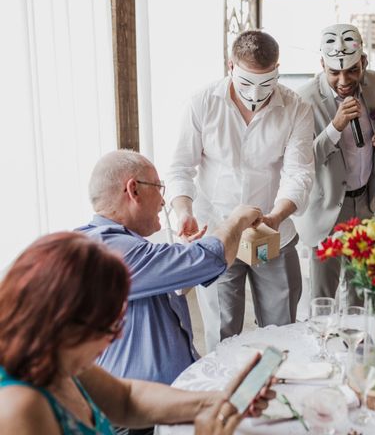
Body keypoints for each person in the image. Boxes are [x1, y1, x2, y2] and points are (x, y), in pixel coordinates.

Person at [0, 232, 274, 435]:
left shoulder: (57, 360)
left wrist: (216, 400)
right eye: (109, 326)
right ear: (64, 323)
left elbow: (126, 399)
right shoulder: (20, 409)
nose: (116, 337)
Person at [167, 30, 314, 350]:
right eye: (247, 82)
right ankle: (226, 396)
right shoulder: (201, 104)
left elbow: (299, 173)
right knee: (222, 331)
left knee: (282, 330)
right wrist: (184, 212)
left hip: (273, 235)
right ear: (230, 66)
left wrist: (276, 216)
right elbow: (180, 168)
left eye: (266, 83)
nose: (256, 93)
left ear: (278, 69)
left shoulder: (296, 107)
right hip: (216, 233)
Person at [77, 150, 262, 392]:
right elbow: (211, 258)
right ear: (133, 190)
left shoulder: (109, 243)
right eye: (158, 187)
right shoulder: (110, 251)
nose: (163, 202)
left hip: (169, 396)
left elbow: (161, 288)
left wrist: (181, 256)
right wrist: (237, 219)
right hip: (139, 418)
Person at [294, 23, 375, 302]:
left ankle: (355, 345)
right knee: (324, 296)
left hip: (366, 203)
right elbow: (302, 163)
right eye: (334, 72)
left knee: (359, 290)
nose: (344, 80)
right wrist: (334, 128)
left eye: (352, 70)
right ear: (322, 63)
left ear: (364, 62)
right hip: (328, 208)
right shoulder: (304, 99)